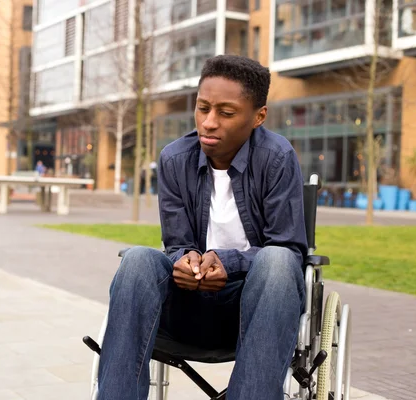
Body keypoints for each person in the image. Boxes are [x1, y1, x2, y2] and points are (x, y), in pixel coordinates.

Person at [97, 55, 308, 400]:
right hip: (188, 308)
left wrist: (229, 262)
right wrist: (186, 260)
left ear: (259, 116)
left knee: (279, 261)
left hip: (256, 310)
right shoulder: (174, 159)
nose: (209, 122)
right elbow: (177, 243)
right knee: (137, 259)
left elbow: (289, 249)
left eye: (225, 113)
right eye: (202, 108)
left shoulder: (277, 157)